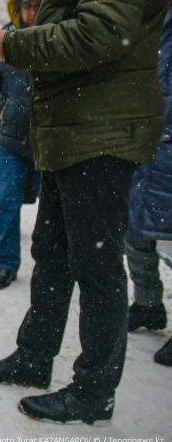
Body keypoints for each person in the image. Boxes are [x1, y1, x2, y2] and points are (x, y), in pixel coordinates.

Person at [0, 0, 167, 425]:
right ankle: (35, 356)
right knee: (52, 252)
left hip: (101, 131)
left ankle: (94, 391)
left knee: (96, 264)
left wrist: (17, 45)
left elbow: (102, 32)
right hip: (73, 128)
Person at [0, 0, 42, 289]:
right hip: (10, 141)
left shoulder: (54, 38)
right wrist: (0, 107)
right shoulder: (3, 40)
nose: (31, 13)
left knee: (56, 211)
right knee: (6, 203)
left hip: (50, 142)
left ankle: (53, 269)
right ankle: (7, 264)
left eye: (37, 5)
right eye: (26, 5)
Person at [125, 7, 172, 367]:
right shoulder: (146, 15)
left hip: (163, 137)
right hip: (146, 139)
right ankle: (148, 304)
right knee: (135, 230)